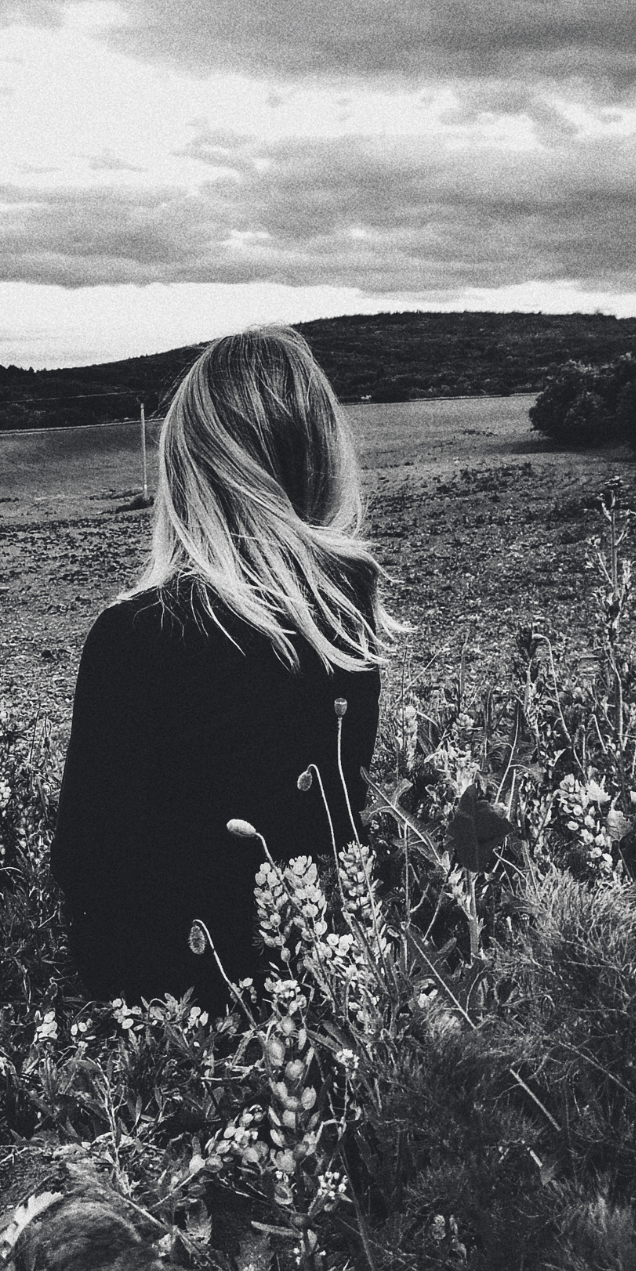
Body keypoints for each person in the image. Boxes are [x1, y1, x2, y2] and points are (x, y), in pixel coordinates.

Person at [50, 326, 396, 1009]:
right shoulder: (348, 615)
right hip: (318, 988)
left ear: (191, 471)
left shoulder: (136, 636)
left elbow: (85, 867)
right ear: (319, 459)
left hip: (170, 1015)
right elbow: (334, 826)